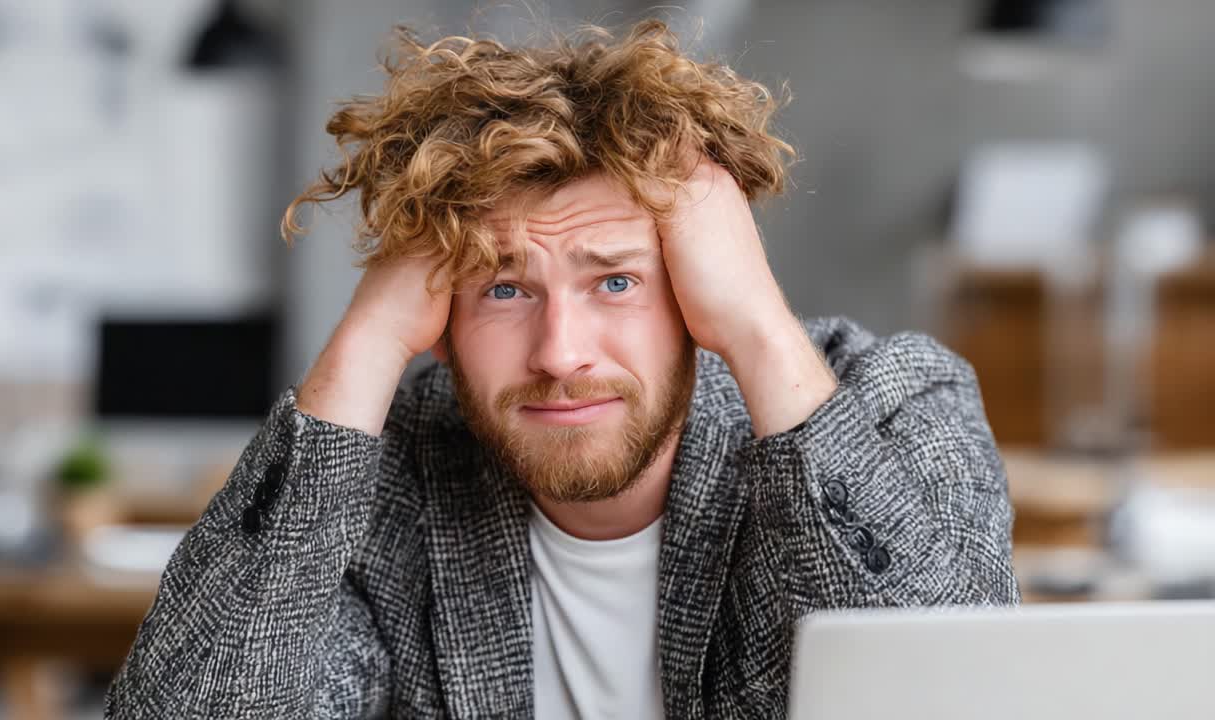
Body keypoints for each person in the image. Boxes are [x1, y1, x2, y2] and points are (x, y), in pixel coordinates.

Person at [106, 19, 1019, 719]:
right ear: (440, 315)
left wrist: (755, 327)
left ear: (701, 287)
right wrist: (367, 344)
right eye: (503, 290)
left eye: (616, 280)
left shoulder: (898, 405)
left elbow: (955, 697)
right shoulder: (386, 474)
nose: (559, 353)